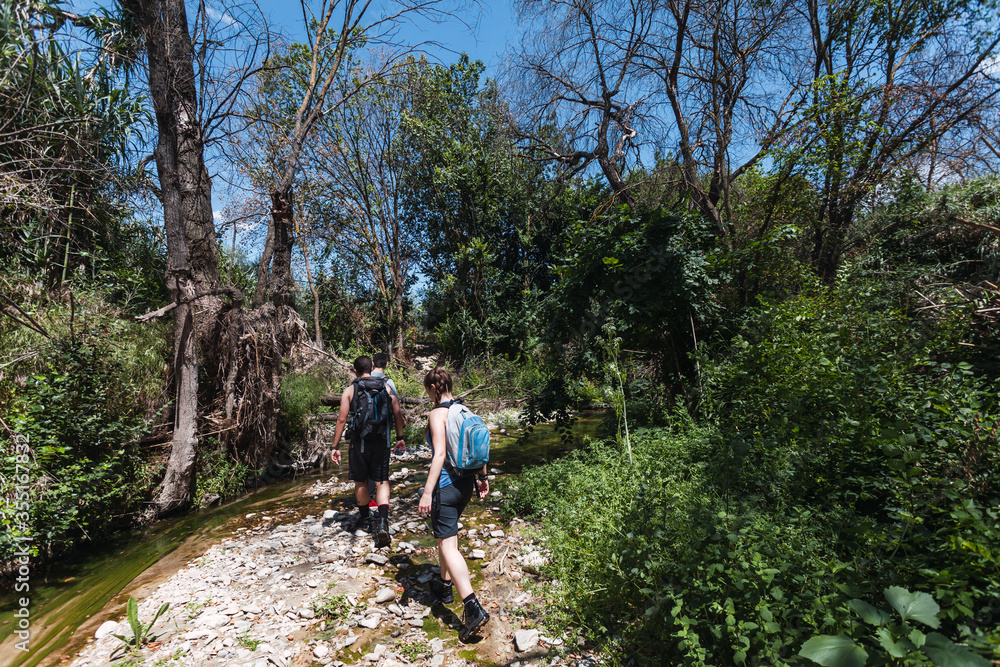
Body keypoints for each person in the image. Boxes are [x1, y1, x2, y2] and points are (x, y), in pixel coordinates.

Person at [418, 367, 490, 641]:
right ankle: (443, 586)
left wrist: (427, 493)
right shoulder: (465, 411)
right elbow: (480, 448)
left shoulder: (437, 414)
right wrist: (483, 477)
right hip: (465, 485)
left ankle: (471, 607)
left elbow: (439, 456)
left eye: (427, 390)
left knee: (448, 545)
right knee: (446, 538)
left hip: (445, 487)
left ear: (433, 389)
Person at [331, 356, 406, 548]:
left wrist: (334, 446)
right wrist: (399, 438)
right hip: (382, 442)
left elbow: (341, 420)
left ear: (354, 370)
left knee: (361, 481)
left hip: (359, 444)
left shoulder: (350, 390)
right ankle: (382, 522)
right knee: (381, 481)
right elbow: (397, 413)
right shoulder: (386, 387)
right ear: (372, 367)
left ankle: (365, 519)